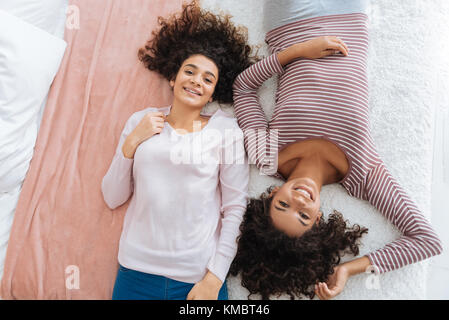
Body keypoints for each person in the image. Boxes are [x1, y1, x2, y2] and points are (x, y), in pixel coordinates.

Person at [229, 0, 443, 300]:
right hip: (348, 13)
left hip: (288, 22)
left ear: (270, 195)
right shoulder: (362, 175)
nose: (300, 201)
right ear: (318, 220)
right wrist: (347, 270)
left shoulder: (265, 156)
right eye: (304, 216)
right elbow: (426, 240)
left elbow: (243, 87)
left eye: (283, 205)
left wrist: (298, 52)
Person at [101, 1, 256, 300]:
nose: (197, 80)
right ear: (173, 77)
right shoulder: (140, 121)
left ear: (213, 92)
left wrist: (214, 278)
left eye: (208, 79)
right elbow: (112, 197)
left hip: (197, 280)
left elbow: (235, 209)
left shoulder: (227, 131)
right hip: (135, 273)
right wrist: (131, 143)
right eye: (190, 71)